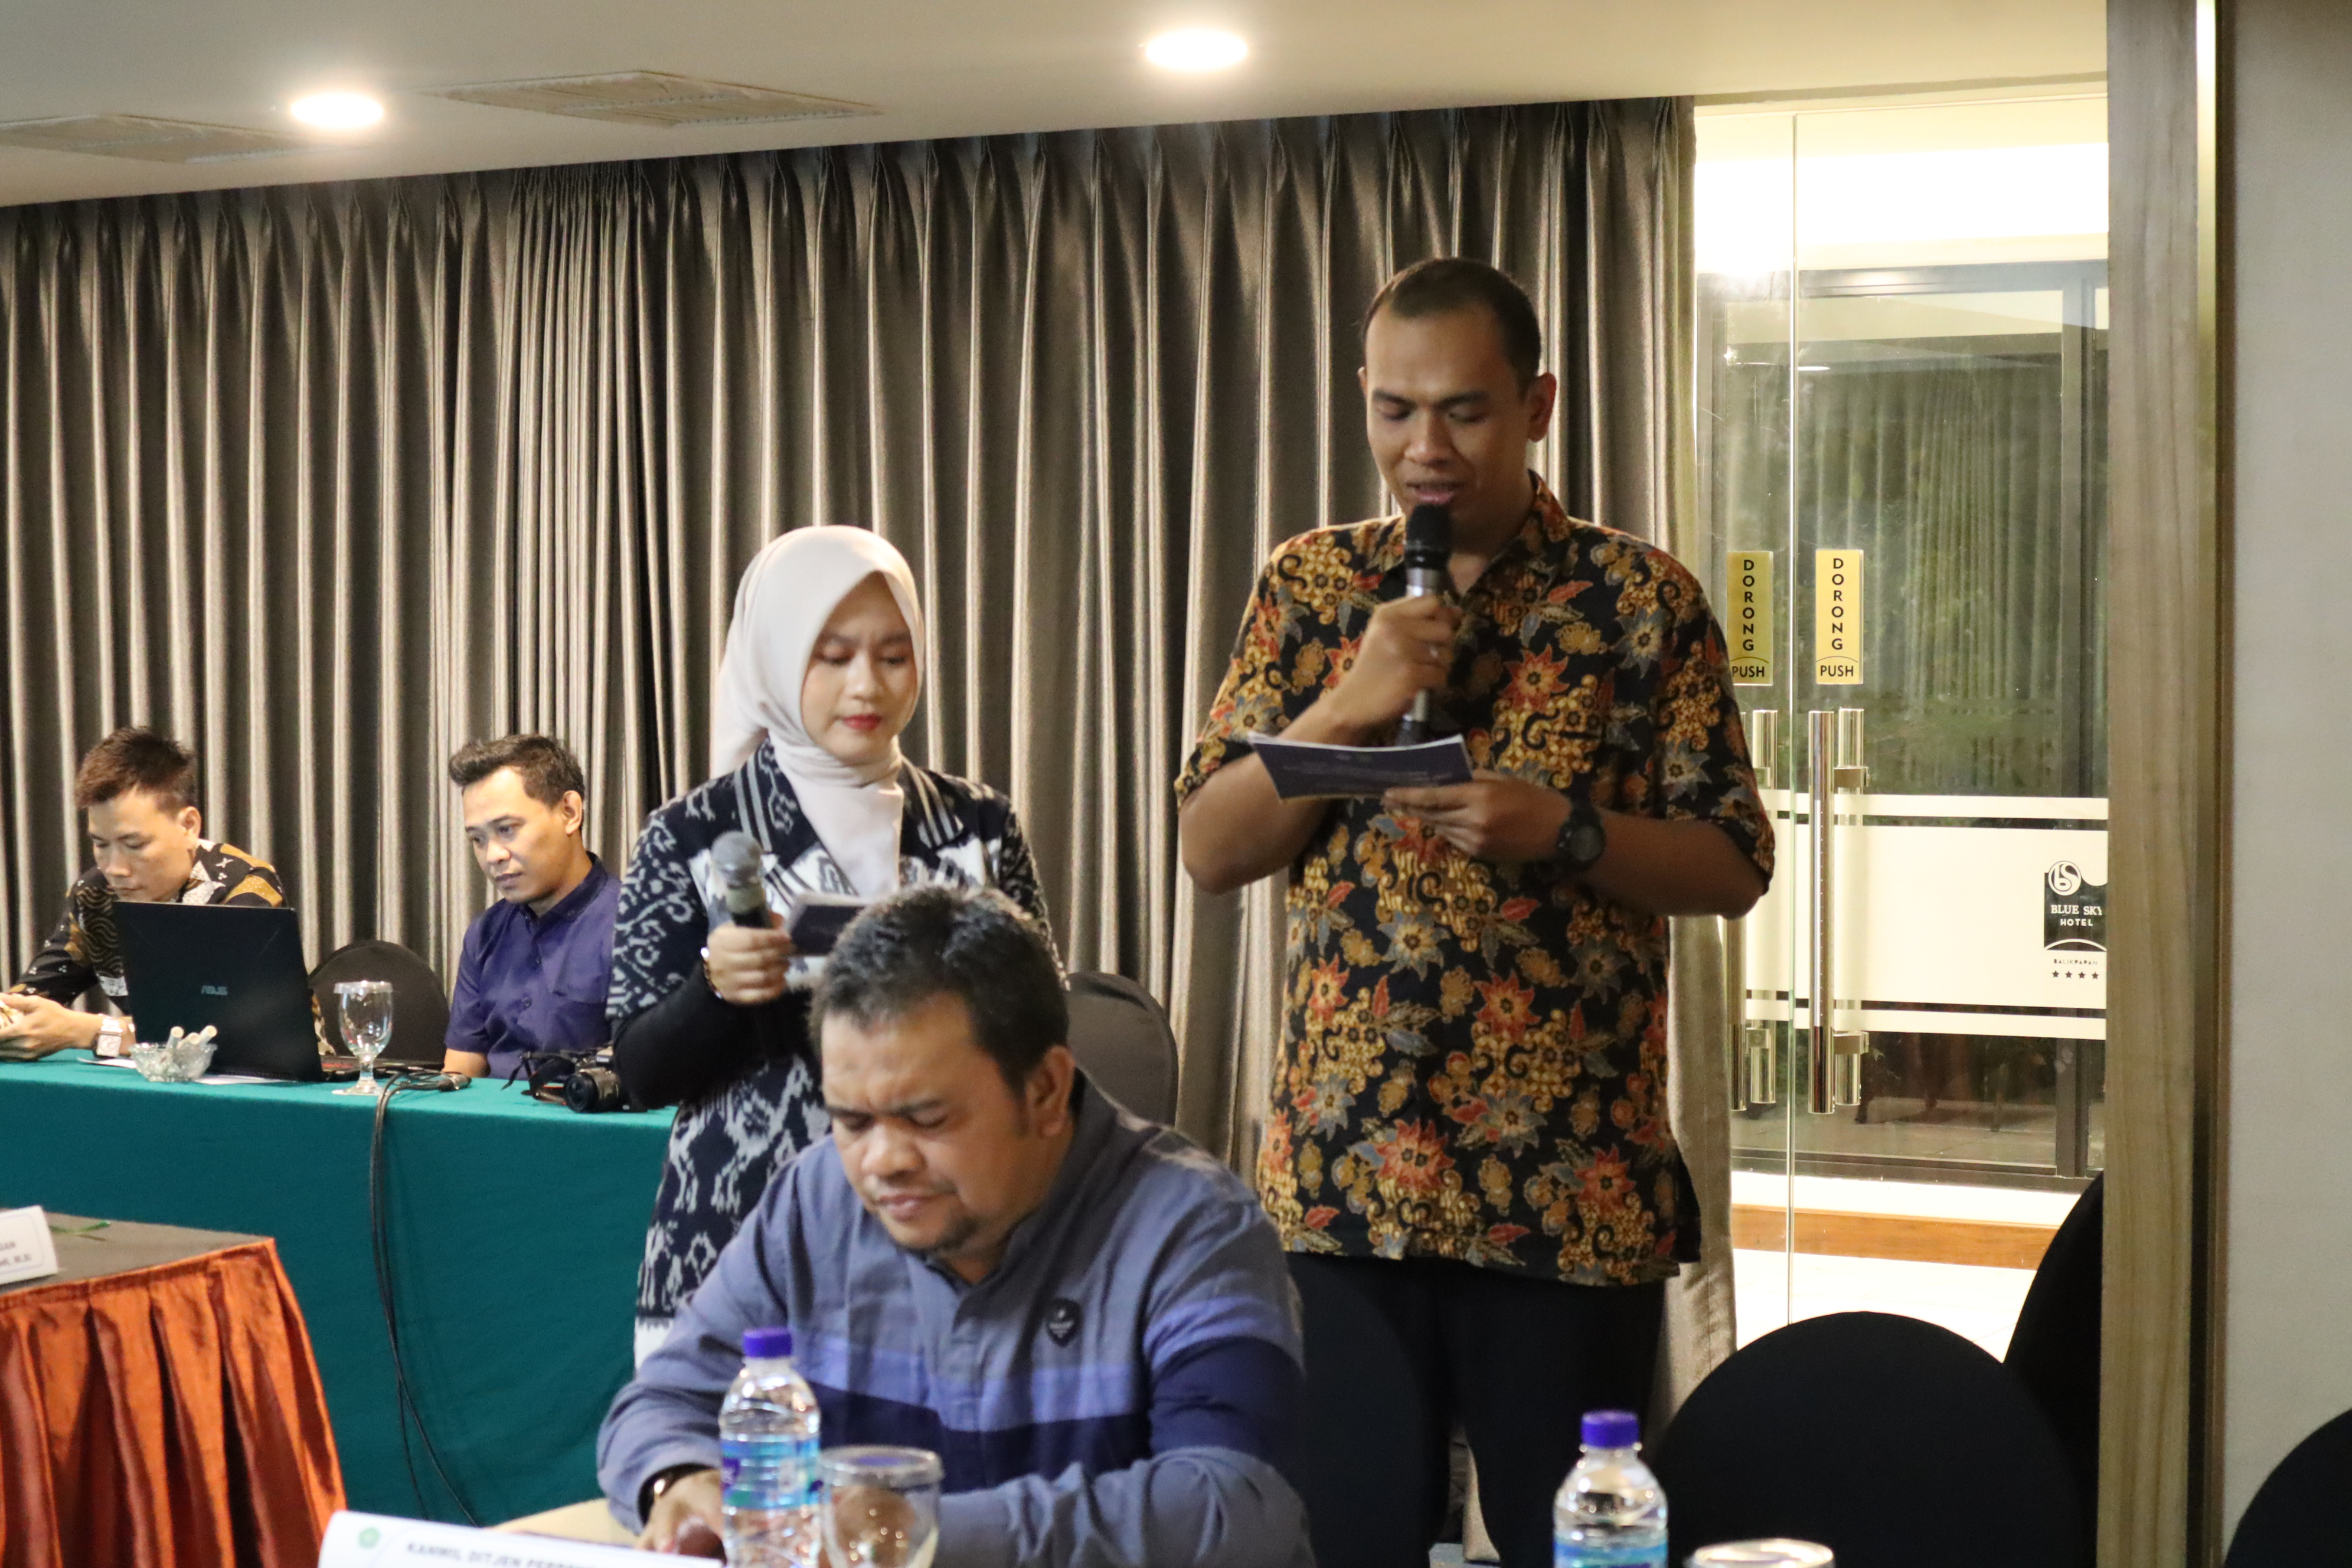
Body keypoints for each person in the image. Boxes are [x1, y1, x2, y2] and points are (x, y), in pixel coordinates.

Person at [1175, 257, 1774, 1568]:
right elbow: (1211, 848)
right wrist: (1349, 701)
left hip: (1564, 1190)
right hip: (1346, 1184)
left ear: (1537, 404)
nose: (1424, 448)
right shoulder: (1310, 586)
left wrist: (1565, 830)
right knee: (1346, 1538)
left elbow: (1733, 861)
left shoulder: (1640, 600)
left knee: (1582, 1546)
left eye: (1463, 410)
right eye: (1393, 410)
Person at [599, 884, 1310, 1568]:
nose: (883, 1161)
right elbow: (659, 1403)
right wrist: (680, 1480)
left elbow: (1235, 1505)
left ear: (1046, 1090)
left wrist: (911, 1533)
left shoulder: (1194, 1225)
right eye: (852, 1120)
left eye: (927, 1118)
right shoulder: (814, 1200)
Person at [609, 526, 1049, 1366]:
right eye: (833, 656)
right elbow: (641, 1070)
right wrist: (716, 989)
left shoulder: (976, 823)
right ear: (777, 659)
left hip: (952, 1232)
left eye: (894, 655)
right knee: (739, 1451)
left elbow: (1045, 1024)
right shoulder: (693, 832)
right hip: (743, 1237)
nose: (866, 685)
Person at [2, 727, 287, 1056]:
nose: (114, 868)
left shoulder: (246, 886)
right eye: (100, 845)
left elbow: (222, 1026)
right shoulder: (94, 894)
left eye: (134, 845)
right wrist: (11, 1018)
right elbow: (31, 998)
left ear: (188, 826)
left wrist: (91, 1031)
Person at [440, 734, 620, 1082]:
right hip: (487, 1117)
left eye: (507, 830)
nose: (493, 855)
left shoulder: (637, 929)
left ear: (570, 812)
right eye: (478, 839)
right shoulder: (485, 934)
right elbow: (459, 1073)